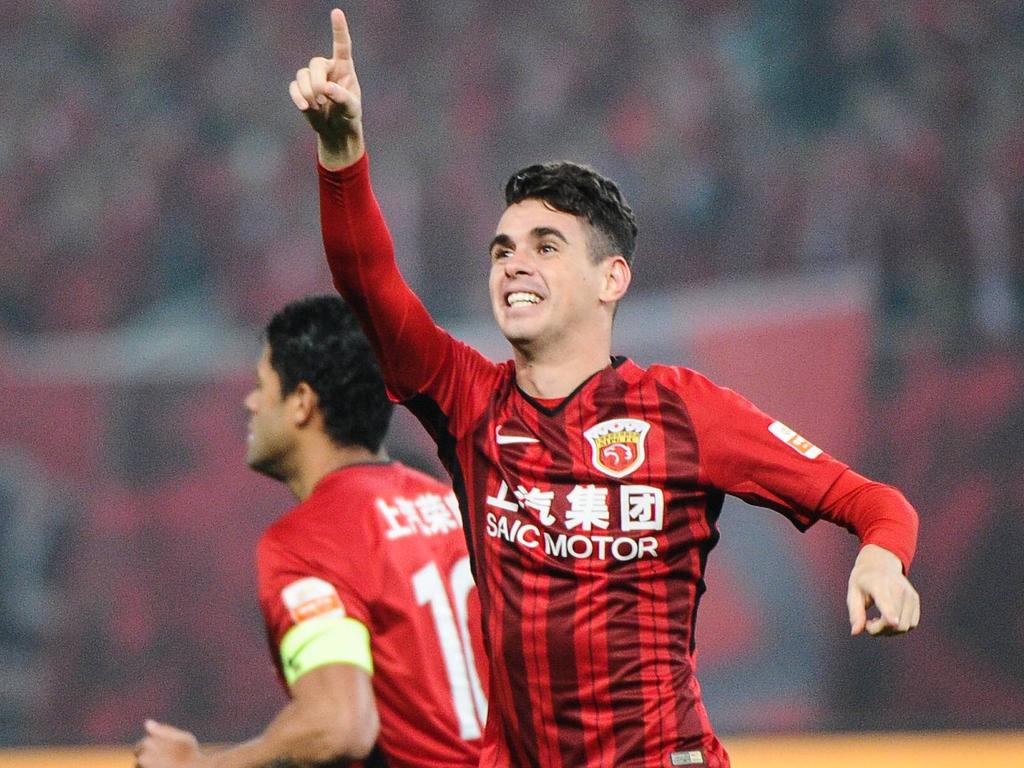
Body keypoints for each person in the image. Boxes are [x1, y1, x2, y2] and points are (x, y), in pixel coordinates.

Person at [290, 10, 921, 768]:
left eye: (545, 246)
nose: (513, 265)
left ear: (611, 278)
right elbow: (369, 283)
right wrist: (341, 152)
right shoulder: (468, 401)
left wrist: (882, 558)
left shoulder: (683, 411)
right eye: (502, 249)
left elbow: (874, 502)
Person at [134, 296, 486, 768]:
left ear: (301, 402)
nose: (250, 403)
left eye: (261, 386)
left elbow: (338, 725)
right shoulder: (456, 510)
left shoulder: (310, 541)